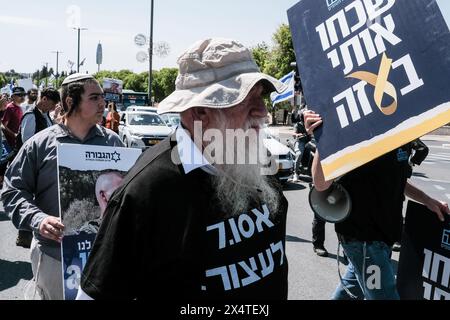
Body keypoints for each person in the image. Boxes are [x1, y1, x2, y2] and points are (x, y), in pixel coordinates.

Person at [77, 38, 289, 300]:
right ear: (200, 111)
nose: (263, 112)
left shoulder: (254, 162)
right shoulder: (146, 191)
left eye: (261, 95)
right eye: (246, 98)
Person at [1, 73, 124, 300]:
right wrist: (39, 220)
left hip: (105, 258)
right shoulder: (40, 144)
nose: (103, 104)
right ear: (70, 102)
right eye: (94, 97)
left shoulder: (113, 142)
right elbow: (12, 191)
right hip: (55, 258)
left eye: (102, 97)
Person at [305, 110, 450, 300]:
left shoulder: (401, 131)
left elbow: (397, 180)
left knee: (351, 289)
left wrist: (427, 200)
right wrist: (324, 136)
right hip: (364, 239)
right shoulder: (359, 128)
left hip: (384, 236)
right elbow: (321, 183)